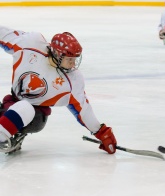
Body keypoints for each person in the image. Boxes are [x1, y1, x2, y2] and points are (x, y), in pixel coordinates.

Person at [0, 25, 117, 154]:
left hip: (36, 117)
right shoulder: (31, 44)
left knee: (25, 107)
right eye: (69, 59)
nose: (73, 64)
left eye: (75, 59)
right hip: (10, 104)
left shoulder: (72, 80)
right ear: (56, 54)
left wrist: (101, 132)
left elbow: (84, 110)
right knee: (18, 107)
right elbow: (4, 34)